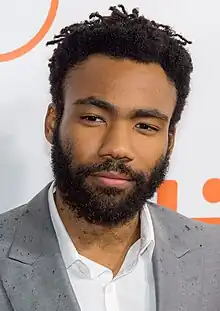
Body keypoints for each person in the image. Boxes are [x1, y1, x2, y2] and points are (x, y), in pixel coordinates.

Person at [0, 4, 220, 311]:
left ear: (169, 141)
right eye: (93, 118)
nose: (117, 147)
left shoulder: (213, 257)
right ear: (53, 122)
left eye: (145, 126)